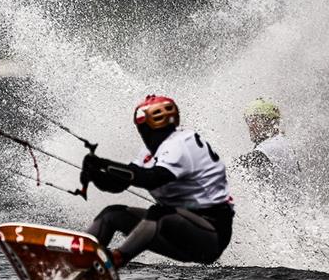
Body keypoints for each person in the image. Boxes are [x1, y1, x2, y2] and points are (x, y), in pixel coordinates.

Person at [80, 95, 234, 268]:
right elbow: (119, 184)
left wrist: (105, 164)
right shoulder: (149, 152)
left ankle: (116, 260)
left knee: (158, 212)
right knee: (112, 214)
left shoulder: (182, 142)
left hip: (209, 236)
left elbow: (154, 178)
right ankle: (77, 257)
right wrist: (95, 174)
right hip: (175, 235)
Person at [236, 98, 300, 176]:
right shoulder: (282, 142)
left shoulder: (272, 146)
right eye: (248, 121)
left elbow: (238, 167)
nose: (250, 126)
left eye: (254, 120)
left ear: (270, 122)